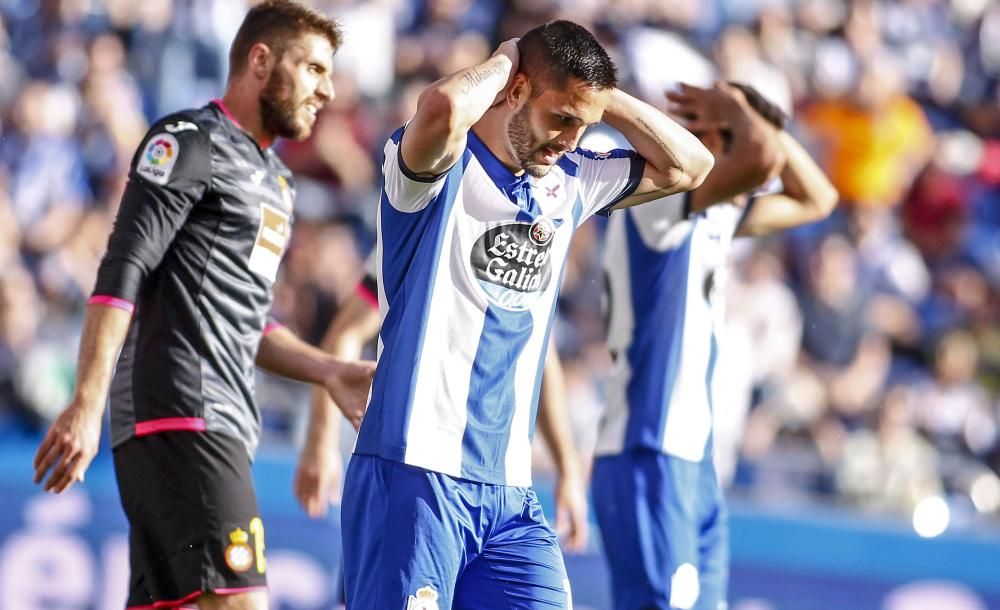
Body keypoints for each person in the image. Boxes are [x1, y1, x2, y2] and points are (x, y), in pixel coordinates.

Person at [341, 19, 714, 608]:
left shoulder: (571, 181)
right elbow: (440, 104)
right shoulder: (435, 170)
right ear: (513, 92)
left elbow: (690, 167)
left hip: (511, 493)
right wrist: (505, 59)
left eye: (582, 126)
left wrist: (599, 97)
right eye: (560, 118)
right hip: (414, 470)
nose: (570, 138)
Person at [30, 3, 375, 609]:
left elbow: (249, 320)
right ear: (261, 60)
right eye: (314, 69)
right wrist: (87, 400)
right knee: (239, 601)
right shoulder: (189, 142)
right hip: (182, 413)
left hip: (222, 422)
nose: (327, 89)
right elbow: (123, 268)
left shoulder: (278, 181)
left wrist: (328, 370)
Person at [592, 81, 839, 610]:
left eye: (715, 130)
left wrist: (751, 113)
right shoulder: (658, 199)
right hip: (647, 444)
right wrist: (743, 112)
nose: (699, 137)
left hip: (692, 454)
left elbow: (818, 198)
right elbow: (763, 158)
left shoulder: (715, 213)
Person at [293, 259, 589, 552]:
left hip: (502, 482)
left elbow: (539, 351)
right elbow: (346, 333)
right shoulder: (426, 221)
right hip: (416, 466)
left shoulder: (537, 235)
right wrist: (322, 440)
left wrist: (568, 467)